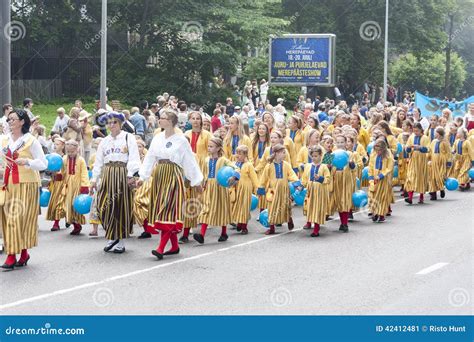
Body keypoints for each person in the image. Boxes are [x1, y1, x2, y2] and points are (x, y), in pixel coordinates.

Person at [138, 109, 203, 259]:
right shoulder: (157, 138)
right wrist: (143, 177)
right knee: (161, 210)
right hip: (159, 175)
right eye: (160, 118)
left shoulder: (181, 140)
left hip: (173, 175)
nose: (160, 120)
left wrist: (196, 180)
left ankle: (160, 248)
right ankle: (174, 246)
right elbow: (150, 158)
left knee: (168, 209)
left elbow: (189, 161)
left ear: (171, 121)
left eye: (163, 118)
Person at [0, 109, 47, 269]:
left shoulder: (30, 141)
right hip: (8, 184)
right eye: (8, 120)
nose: (10, 122)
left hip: (27, 184)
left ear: (22, 122)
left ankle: (13, 255)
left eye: (13, 119)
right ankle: (21, 253)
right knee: (8, 218)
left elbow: (43, 163)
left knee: (21, 219)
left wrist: (27, 162)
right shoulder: (4, 139)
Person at [91, 112, 141, 254]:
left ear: (120, 124)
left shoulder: (128, 137)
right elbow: (98, 162)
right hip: (107, 173)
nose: (111, 125)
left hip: (122, 173)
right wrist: (94, 180)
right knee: (103, 205)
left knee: (120, 207)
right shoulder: (104, 141)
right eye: (109, 123)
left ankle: (119, 240)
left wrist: (131, 174)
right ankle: (112, 235)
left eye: (114, 123)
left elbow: (134, 157)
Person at [194, 137, 238, 244]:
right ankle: (201, 235)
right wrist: (202, 184)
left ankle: (224, 233)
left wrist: (234, 177)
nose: (209, 148)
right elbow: (204, 173)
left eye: (211, 146)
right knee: (206, 209)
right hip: (209, 188)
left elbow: (235, 167)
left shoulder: (223, 160)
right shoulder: (206, 160)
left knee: (222, 209)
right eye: (208, 146)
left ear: (218, 148)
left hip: (220, 188)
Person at [257, 144, 300, 235]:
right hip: (272, 191)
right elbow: (264, 178)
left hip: (284, 189)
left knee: (286, 206)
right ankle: (272, 227)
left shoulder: (286, 165)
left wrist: (296, 183)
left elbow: (292, 174)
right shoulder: (269, 166)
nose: (284, 154)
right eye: (283, 153)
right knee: (271, 208)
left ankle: (289, 219)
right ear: (276, 153)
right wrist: (261, 188)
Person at [301, 146, 330, 237]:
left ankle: (316, 229)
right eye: (312, 156)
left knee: (317, 208)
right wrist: (302, 186)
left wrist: (320, 178)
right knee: (309, 206)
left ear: (321, 155)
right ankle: (309, 222)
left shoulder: (324, 167)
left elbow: (328, 179)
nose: (314, 158)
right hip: (310, 190)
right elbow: (305, 178)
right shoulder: (308, 166)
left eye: (316, 156)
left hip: (319, 191)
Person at [63, 140, 90, 235]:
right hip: (68, 185)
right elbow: (62, 171)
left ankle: (77, 225)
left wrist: (85, 186)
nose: (70, 154)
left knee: (76, 206)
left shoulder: (81, 160)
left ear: (77, 150)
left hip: (77, 186)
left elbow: (84, 174)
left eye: (72, 152)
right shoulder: (64, 158)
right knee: (67, 205)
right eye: (68, 152)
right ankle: (69, 219)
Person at [230, 145, 258, 235]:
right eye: (236, 153)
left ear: (245, 155)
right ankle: (239, 222)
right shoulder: (234, 164)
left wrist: (257, 188)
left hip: (245, 189)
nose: (237, 155)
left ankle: (244, 226)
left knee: (244, 207)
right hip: (236, 188)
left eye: (240, 154)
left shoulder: (249, 165)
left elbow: (254, 178)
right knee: (237, 206)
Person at [368, 139, 394, 223]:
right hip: (374, 176)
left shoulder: (388, 156)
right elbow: (371, 166)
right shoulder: (373, 155)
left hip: (383, 179)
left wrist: (381, 175)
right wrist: (371, 177)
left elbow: (389, 167)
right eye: (376, 150)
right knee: (373, 195)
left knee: (382, 196)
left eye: (379, 150)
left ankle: (381, 214)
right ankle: (375, 212)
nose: (378, 152)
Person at [404, 123, 430, 204]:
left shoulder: (425, 138)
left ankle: (421, 196)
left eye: (417, 131)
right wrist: (408, 148)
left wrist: (420, 148)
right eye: (414, 130)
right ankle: (410, 197)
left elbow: (428, 149)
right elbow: (407, 147)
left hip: (421, 160)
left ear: (421, 130)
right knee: (411, 177)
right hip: (413, 159)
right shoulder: (411, 137)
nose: (415, 132)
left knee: (421, 177)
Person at [46, 137, 66, 231]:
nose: (55, 146)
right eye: (54, 144)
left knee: (64, 203)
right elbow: (47, 169)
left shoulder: (65, 157)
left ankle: (69, 219)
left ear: (62, 146)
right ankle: (56, 222)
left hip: (64, 183)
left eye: (57, 144)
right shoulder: (51, 156)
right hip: (55, 183)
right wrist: (50, 171)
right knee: (56, 203)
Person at [428, 127, 450, 200]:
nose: (434, 133)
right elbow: (430, 151)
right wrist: (428, 158)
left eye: (436, 132)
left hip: (441, 162)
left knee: (440, 176)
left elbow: (448, 152)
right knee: (432, 178)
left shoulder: (445, 142)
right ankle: (433, 194)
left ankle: (441, 188)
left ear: (439, 134)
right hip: (434, 161)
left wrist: (448, 161)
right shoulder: (433, 141)